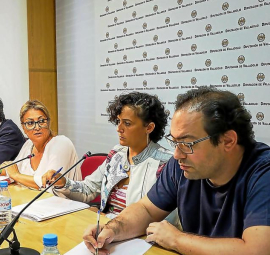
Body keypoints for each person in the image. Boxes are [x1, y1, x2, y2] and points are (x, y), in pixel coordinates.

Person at [83, 87, 270, 255]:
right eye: (175, 142)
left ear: (228, 141)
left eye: (187, 143)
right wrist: (112, 229)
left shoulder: (263, 172)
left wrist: (176, 239)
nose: (177, 153)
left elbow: (256, 250)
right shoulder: (182, 165)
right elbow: (146, 209)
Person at [43, 92, 174, 219]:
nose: (119, 128)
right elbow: (89, 189)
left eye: (127, 123)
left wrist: (108, 218)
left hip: (137, 237)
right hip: (106, 231)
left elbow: (158, 217)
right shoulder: (117, 154)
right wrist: (63, 183)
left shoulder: (165, 164)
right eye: (118, 121)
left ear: (149, 128)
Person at [0, 100, 81, 191]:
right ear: (23, 127)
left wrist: (17, 176)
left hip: (65, 208)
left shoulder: (61, 143)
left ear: (48, 122)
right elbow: (12, 169)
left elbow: (50, 186)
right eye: (30, 123)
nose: (37, 127)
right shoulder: (29, 145)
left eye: (41, 121)